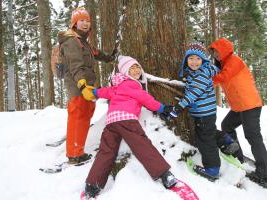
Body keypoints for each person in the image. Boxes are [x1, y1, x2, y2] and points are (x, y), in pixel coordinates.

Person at [83, 56, 177, 198]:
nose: (136, 70)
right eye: (131, 68)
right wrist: (162, 108)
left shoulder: (117, 86)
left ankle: (92, 185)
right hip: (127, 120)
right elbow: (147, 100)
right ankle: (164, 174)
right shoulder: (132, 85)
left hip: (111, 122)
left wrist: (95, 92)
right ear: (125, 72)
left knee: (106, 151)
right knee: (142, 146)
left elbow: (105, 91)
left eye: (137, 67)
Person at [208, 37, 267, 185]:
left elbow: (222, 78)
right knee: (227, 126)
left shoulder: (233, 61)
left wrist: (204, 84)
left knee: (253, 136)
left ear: (224, 50)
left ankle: (264, 174)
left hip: (250, 105)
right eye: (213, 52)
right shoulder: (223, 64)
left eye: (217, 51)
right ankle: (238, 156)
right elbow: (219, 78)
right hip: (239, 106)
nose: (215, 54)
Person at [59, 7, 116, 164]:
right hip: (78, 88)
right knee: (78, 118)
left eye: (87, 21)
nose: (85, 23)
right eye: (81, 20)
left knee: (84, 118)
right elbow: (75, 65)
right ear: (74, 24)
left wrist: (110, 58)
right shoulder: (71, 41)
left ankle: (78, 151)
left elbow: (96, 54)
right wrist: (83, 86)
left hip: (87, 87)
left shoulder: (83, 41)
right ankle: (74, 154)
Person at [166, 43, 229, 181]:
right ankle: (226, 139)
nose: (194, 62)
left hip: (204, 114)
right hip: (206, 113)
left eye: (198, 59)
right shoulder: (200, 72)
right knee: (208, 134)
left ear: (203, 60)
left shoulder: (201, 75)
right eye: (191, 58)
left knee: (205, 141)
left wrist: (178, 108)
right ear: (186, 60)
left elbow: (192, 95)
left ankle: (212, 169)